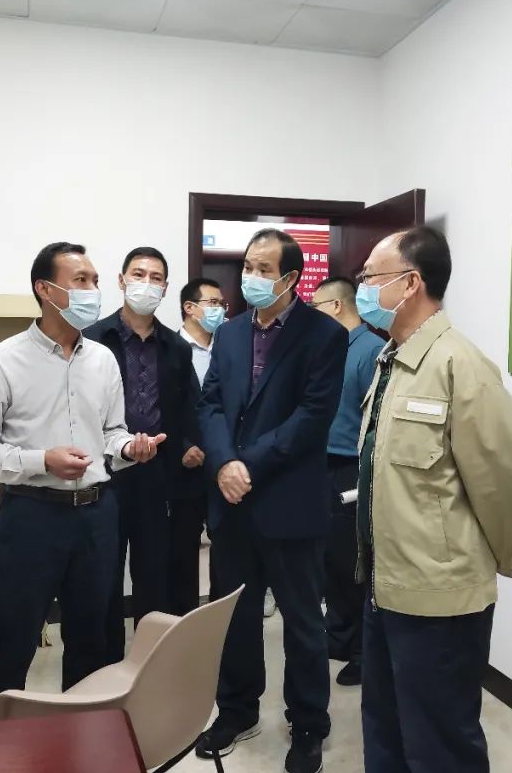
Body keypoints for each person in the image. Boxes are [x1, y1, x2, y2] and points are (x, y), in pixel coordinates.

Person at [0, 242, 166, 717]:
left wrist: (130, 448)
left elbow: (110, 432)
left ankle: (84, 737)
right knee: (14, 637)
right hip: (31, 515)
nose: (94, 290)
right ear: (45, 290)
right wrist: (41, 460)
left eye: (95, 280)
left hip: (97, 514)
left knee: (92, 637)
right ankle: (0, 740)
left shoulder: (103, 360)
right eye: (81, 281)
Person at [354, 227, 512, 773]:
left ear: (410, 283)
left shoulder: (461, 365)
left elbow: (503, 483)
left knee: (440, 746)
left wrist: (487, 565)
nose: (363, 287)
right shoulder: (390, 360)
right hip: (386, 584)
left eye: (371, 276)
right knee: (384, 731)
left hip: (440, 598)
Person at [195, 228, 345, 773]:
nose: (251, 277)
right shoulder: (231, 333)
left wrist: (246, 465)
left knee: (303, 624)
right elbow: (210, 404)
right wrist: (222, 462)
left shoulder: (324, 335)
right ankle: (237, 710)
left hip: (289, 502)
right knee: (234, 617)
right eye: (248, 267)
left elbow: (312, 417)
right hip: (232, 502)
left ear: (290, 278)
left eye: (264, 269)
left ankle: (308, 725)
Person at [84, 248, 199, 660]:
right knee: (104, 574)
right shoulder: (92, 339)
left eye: (155, 278)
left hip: (156, 475)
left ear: (165, 288)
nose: (146, 284)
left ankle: (150, 663)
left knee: (154, 575)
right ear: (121, 280)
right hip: (104, 474)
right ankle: (106, 665)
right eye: (138, 274)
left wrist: (188, 446)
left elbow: (188, 408)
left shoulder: (176, 347)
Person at [307, 276, 384, 687]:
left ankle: (363, 652)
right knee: (329, 561)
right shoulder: (329, 348)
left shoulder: (370, 350)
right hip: (320, 465)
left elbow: (376, 421)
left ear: (335, 306)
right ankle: (338, 635)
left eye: (316, 307)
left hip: (350, 469)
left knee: (352, 562)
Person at [172, 276, 227, 614]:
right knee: (182, 549)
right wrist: (181, 447)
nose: (220, 310)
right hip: (184, 466)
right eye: (213, 303)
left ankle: (222, 619)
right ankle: (184, 622)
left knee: (226, 547)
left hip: (223, 464)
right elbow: (158, 408)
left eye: (222, 304)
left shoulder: (228, 347)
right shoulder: (170, 349)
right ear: (189, 308)